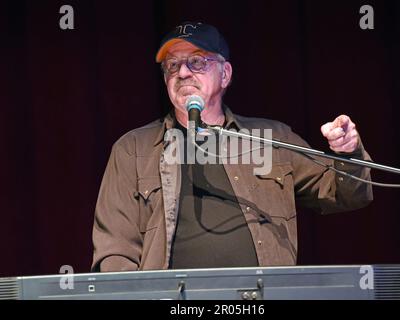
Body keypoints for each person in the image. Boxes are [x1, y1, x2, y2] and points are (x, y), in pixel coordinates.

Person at [91, 22, 373, 272]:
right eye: (172, 65)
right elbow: (115, 250)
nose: (183, 72)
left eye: (197, 62)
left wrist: (348, 151)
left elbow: (347, 195)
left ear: (225, 74)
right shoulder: (133, 149)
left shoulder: (270, 138)